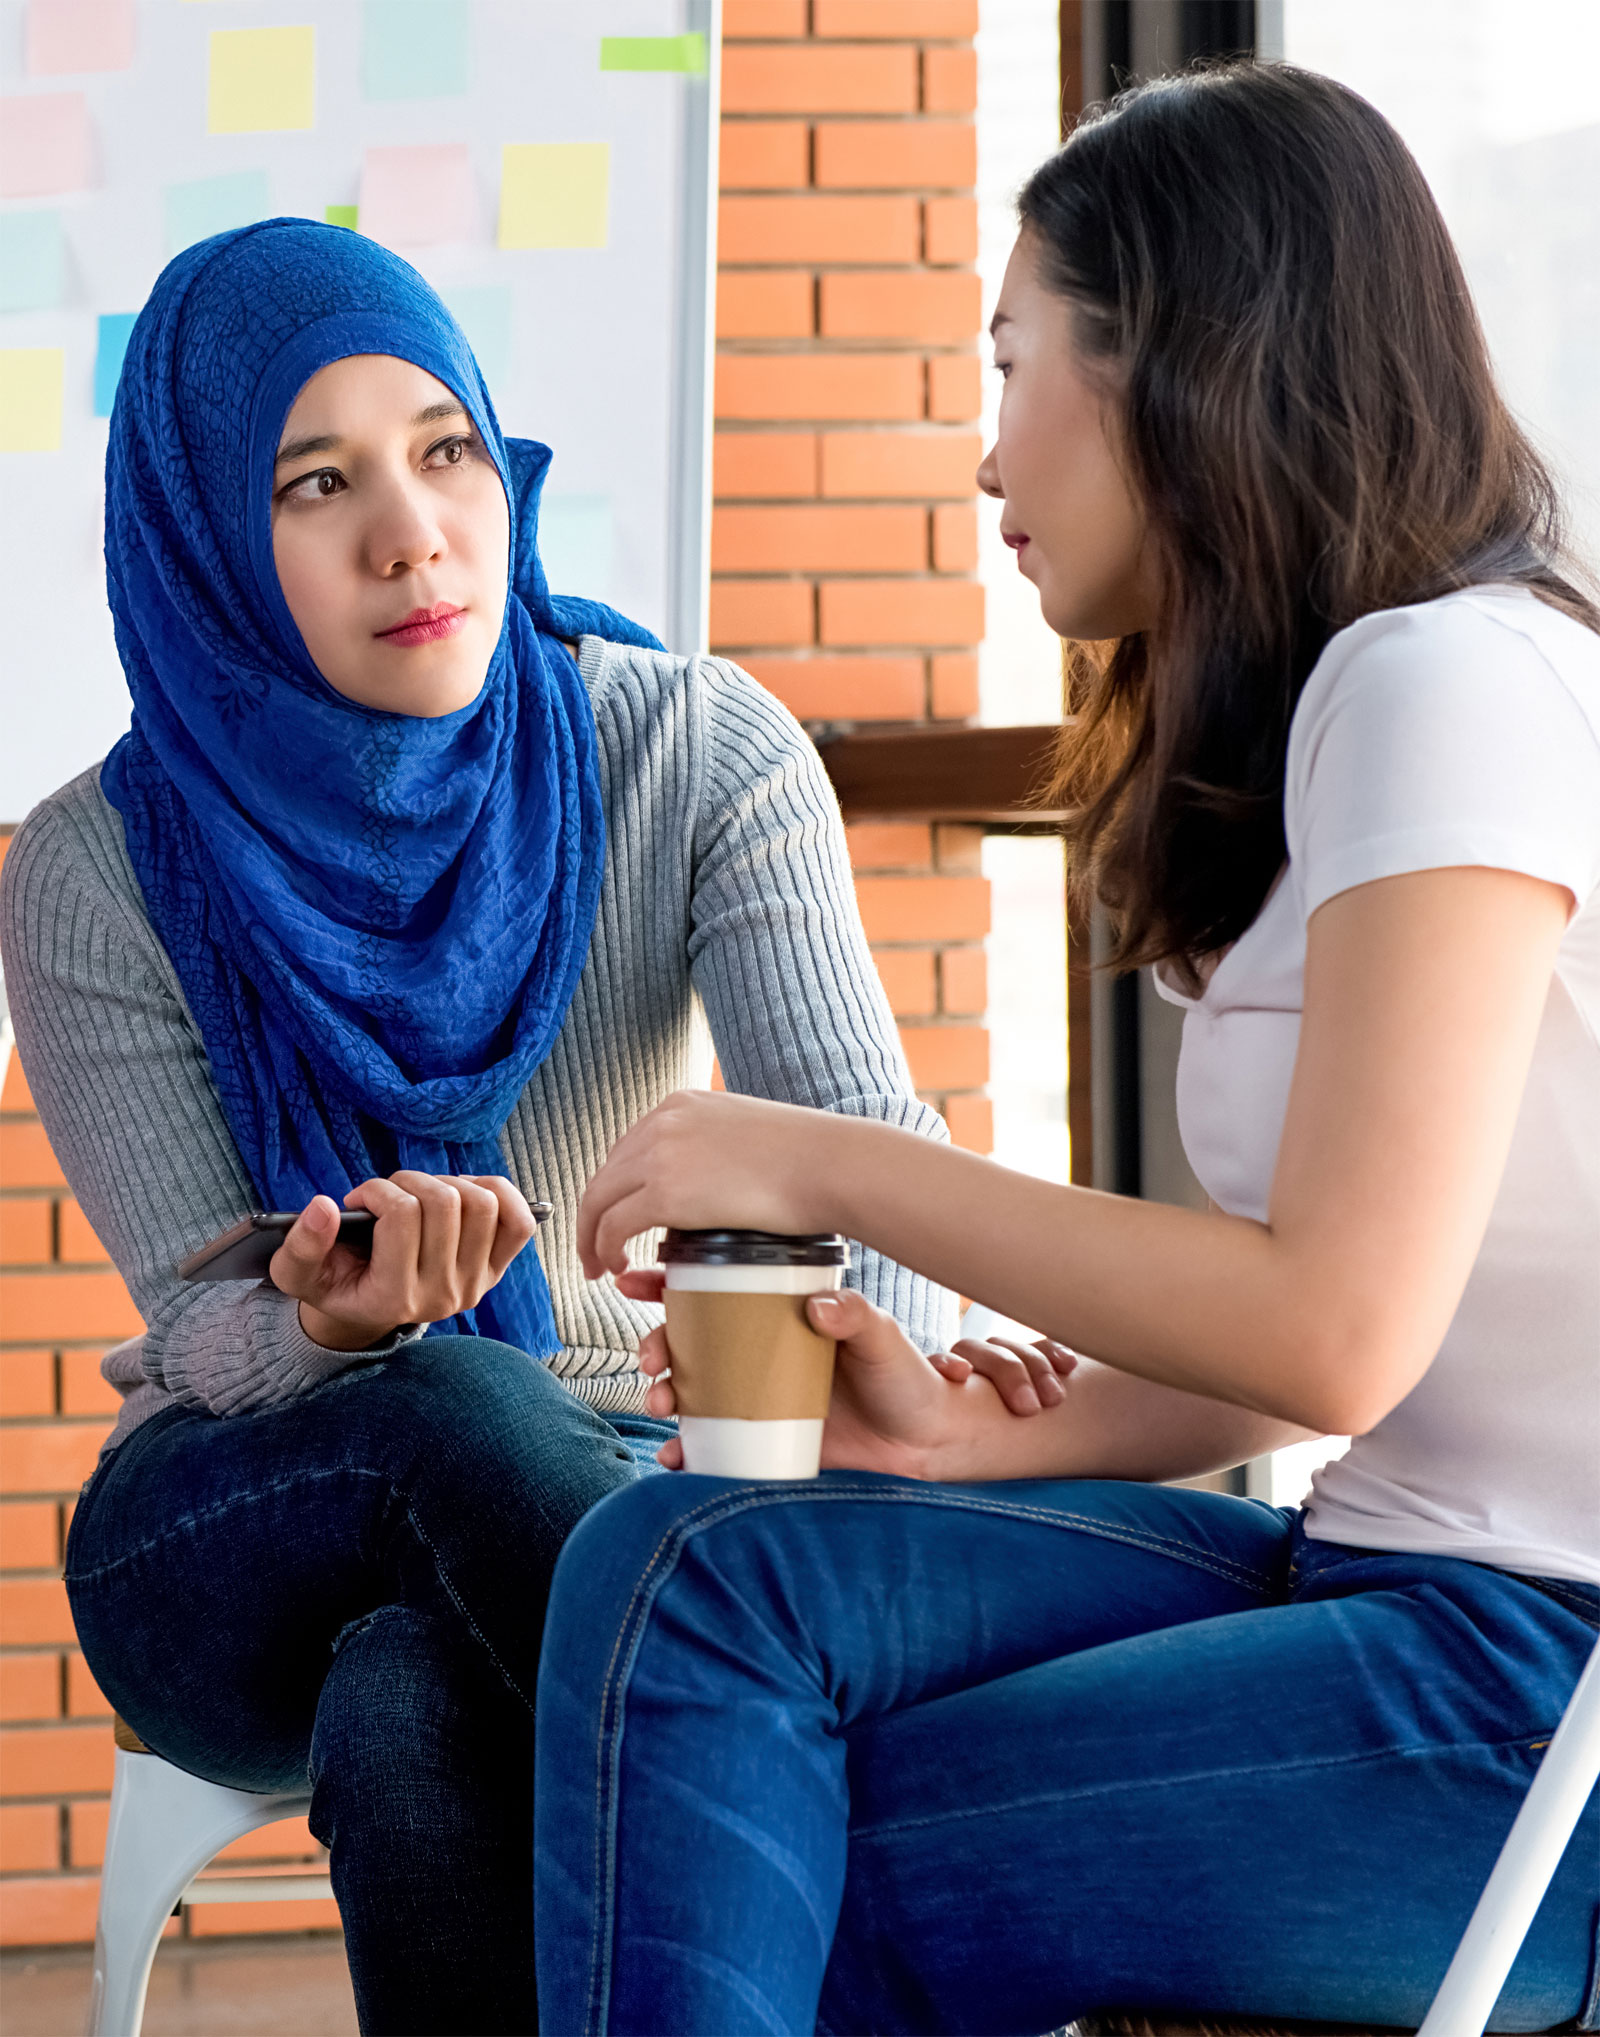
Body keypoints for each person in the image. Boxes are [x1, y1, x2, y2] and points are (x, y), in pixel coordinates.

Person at [533, 63, 1600, 2034]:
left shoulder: (1452, 681)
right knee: (687, 1561)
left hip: (1533, 1698)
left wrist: (812, 1157)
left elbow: (1328, 1331)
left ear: (1181, 369)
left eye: (1014, 363)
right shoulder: (1338, 715)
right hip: (1376, 1567)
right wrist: (963, 1420)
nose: (982, 453)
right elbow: (1326, 1347)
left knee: (800, 1842)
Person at [0, 219, 953, 2037]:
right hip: (236, 1512)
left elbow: (873, 1166)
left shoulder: (687, 754)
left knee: (413, 1692)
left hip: (641, 1482)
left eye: (444, 449)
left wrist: (860, 1420)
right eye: (314, 482)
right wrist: (335, 1324)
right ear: (204, 541)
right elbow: (194, 1327)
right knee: (447, 1397)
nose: (412, 530)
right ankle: (864, 1888)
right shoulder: (97, 873)